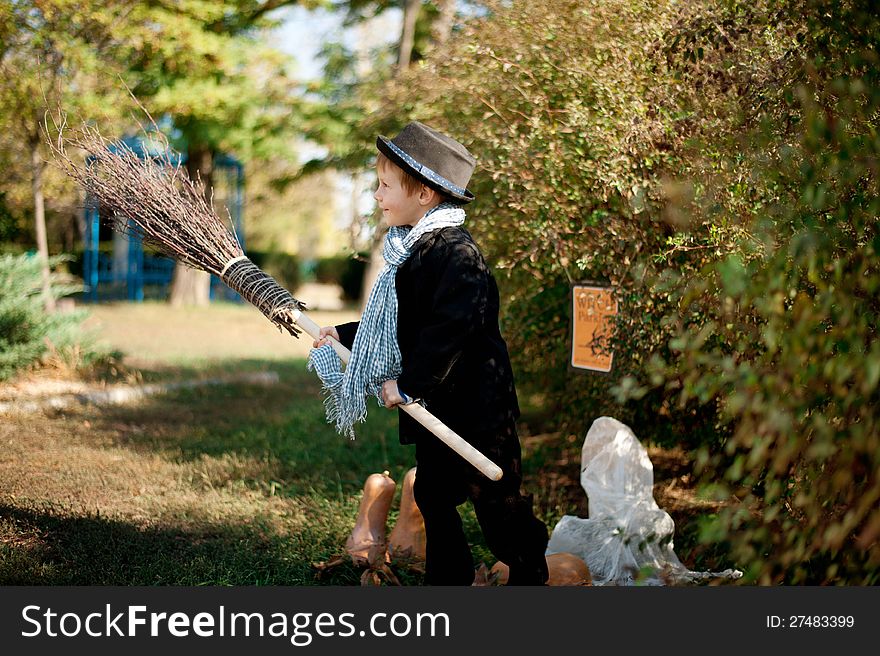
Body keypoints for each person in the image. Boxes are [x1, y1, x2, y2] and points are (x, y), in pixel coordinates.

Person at [309, 121, 549, 585]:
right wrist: (342, 333)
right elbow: (397, 328)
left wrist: (410, 384)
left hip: (478, 407)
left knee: (496, 499)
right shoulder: (408, 250)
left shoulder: (456, 254)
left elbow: (450, 331)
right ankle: (448, 581)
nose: (376, 195)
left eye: (384, 186)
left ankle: (529, 571)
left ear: (425, 195)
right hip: (437, 409)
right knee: (436, 497)